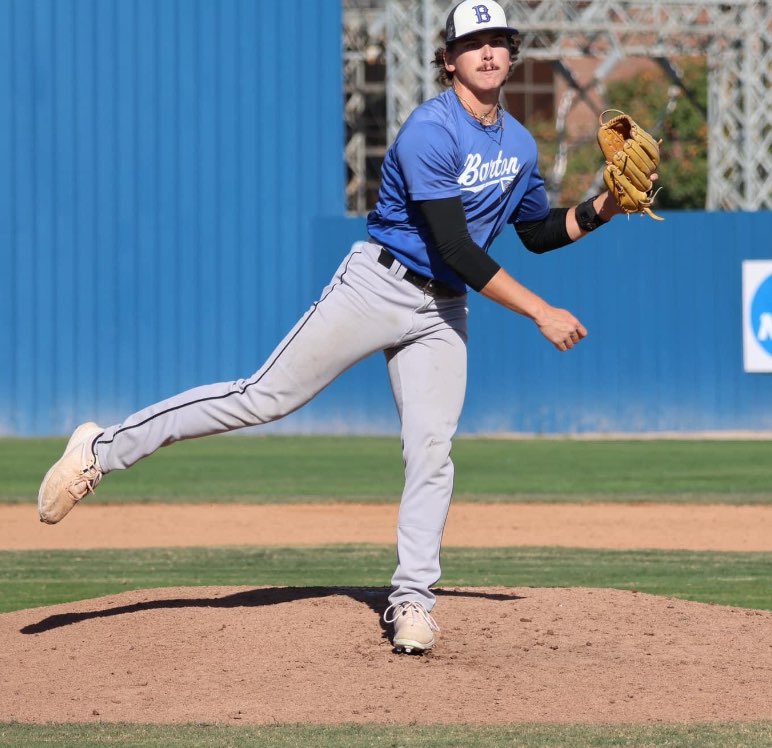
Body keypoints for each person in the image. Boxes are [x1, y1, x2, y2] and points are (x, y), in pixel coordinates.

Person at [38, 0, 630, 654]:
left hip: (444, 310)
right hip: (378, 283)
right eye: (474, 43)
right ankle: (99, 451)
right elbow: (455, 245)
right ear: (448, 59)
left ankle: (412, 601)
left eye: (499, 42)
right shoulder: (429, 131)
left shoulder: (518, 143)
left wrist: (604, 205)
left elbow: (538, 233)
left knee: (432, 449)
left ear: (512, 54)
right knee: (261, 398)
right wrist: (541, 311)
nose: (489, 53)